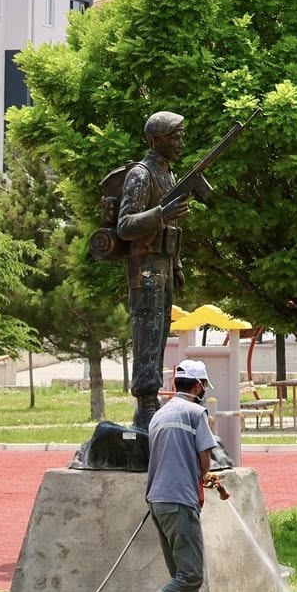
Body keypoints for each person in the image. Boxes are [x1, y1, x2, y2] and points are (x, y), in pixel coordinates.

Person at [116, 358, 219, 592]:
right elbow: (204, 462)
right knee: (191, 576)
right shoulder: (196, 413)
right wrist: (205, 479)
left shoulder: (159, 415)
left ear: (175, 384)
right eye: (203, 387)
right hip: (180, 500)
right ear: (198, 386)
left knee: (182, 575)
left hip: (158, 500)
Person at [114, 111, 209, 431]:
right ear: (156, 141)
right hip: (146, 268)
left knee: (159, 333)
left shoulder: (167, 174)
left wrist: (177, 263)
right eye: (175, 137)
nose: (181, 142)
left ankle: (152, 400)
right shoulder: (141, 175)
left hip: (164, 265)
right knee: (147, 335)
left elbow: (172, 226)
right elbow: (125, 225)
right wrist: (161, 212)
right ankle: (145, 405)